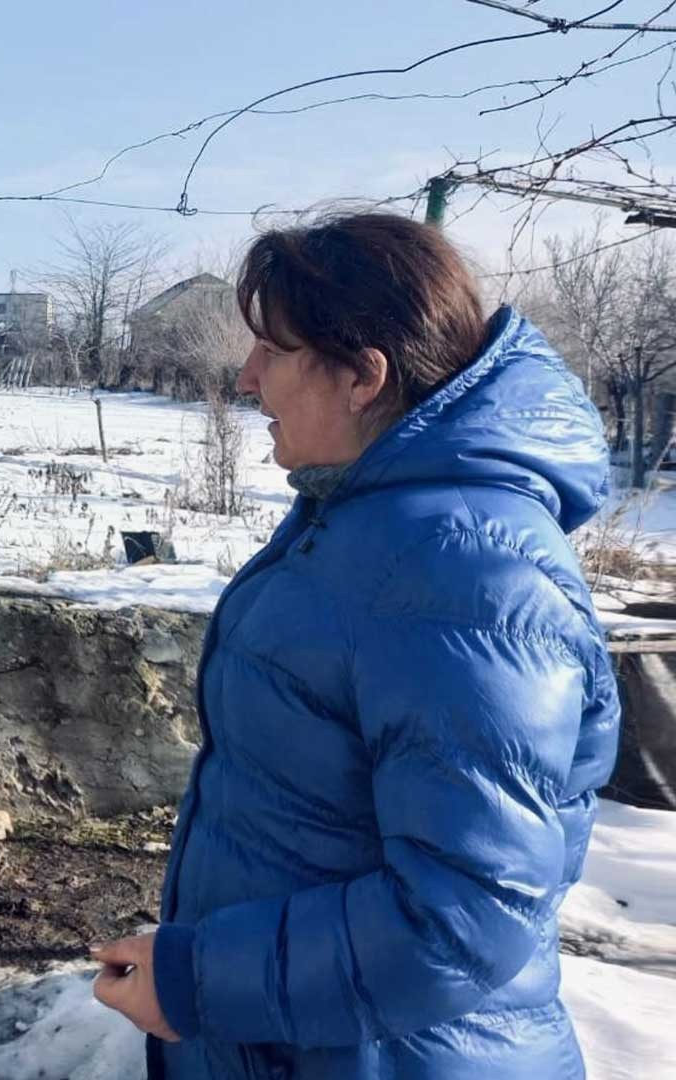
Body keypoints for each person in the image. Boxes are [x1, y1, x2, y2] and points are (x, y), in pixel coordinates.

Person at [91, 213, 620, 1079]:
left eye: (274, 350)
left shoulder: (463, 569)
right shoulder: (367, 519)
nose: (248, 376)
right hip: (314, 1037)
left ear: (362, 378)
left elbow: (460, 915)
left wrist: (200, 980)